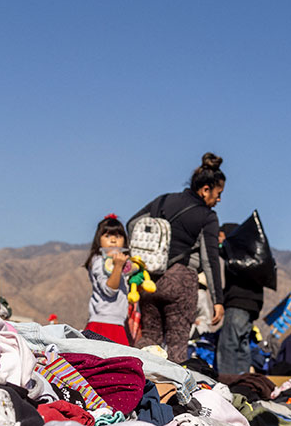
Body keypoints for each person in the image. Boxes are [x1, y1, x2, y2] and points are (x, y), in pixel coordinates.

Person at [129, 153, 226, 363]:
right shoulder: (207, 216)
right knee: (176, 344)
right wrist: (218, 300)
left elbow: (132, 224)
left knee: (149, 338)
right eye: (218, 194)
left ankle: (138, 381)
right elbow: (210, 259)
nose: (218, 200)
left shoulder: (163, 200)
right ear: (205, 189)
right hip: (181, 280)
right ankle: (173, 393)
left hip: (149, 280)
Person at [216, 223, 264, 375]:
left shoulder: (235, 251)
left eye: (221, 236)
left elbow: (220, 249)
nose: (219, 240)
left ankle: (228, 380)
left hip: (238, 303)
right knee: (242, 346)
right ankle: (242, 380)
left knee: (229, 344)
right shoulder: (251, 254)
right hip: (252, 306)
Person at [82, 214, 130, 345]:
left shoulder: (122, 262)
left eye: (118, 236)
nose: (113, 240)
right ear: (99, 239)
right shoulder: (98, 261)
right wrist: (118, 266)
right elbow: (110, 290)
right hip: (104, 324)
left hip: (118, 322)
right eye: (108, 236)